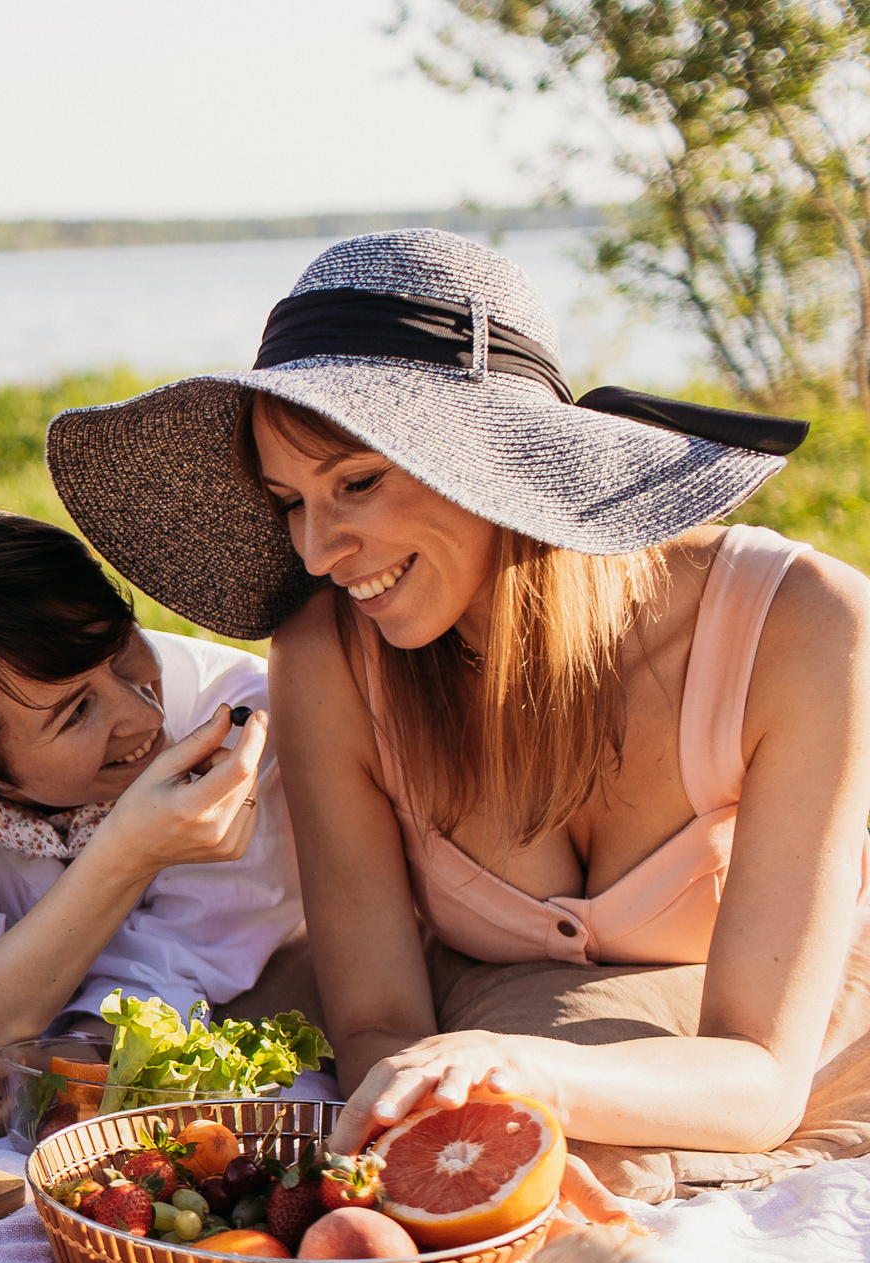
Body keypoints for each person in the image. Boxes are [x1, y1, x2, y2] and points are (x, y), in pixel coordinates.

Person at [45, 228, 870, 1201]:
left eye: (356, 483)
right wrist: (471, 1073)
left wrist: (525, 1070)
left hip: (773, 1043)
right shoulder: (327, 656)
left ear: (497, 459)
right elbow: (376, 1024)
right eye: (287, 503)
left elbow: (761, 1078)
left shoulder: (804, 628)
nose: (315, 553)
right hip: (489, 1013)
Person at [0, 503, 300, 1104]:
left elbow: (180, 966)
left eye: (122, 651)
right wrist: (125, 855)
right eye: (76, 713)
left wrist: (70, 1052)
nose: (144, 714)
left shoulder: (243, 721)